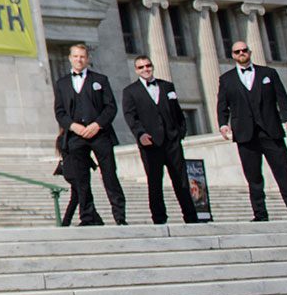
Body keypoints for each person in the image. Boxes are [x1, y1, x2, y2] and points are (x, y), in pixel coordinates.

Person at [217, 41, 287, 222]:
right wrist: (223, 124)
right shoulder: (226, 79)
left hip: (270, 131)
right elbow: (222, 105)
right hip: (245, 134)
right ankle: (260, 214)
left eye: (244, 50)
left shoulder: (268, 73)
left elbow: (282, 98)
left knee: (285, 173)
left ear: (250, 52)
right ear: (233, 55)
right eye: (237, 51)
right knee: (253, 178)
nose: (241, 53)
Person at [54, 43, 126, 227]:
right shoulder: (62, 84)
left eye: (82, 57)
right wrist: (73, 127)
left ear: (88, 59)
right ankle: (87, 217)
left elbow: (111, 107)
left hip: (99, 134)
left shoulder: (100, 80)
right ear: (70, 58)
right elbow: (60, 112)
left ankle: (119, 216)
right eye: (76, 56)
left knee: (109, 174)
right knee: (81, 179)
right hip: (76, 136)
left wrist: (97, 124)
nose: (79, 60)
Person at [123, 54, 197, 225]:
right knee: (155, 182)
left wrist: (180, 131)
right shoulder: (130, 91)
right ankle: (159, 218)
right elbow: (131, 117)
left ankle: (191, 216)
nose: (145, 69)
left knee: (181, 180)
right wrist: (140, 134)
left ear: (152, 66)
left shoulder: (167, 86)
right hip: (150, 144)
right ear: (136, 70)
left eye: (148, 65)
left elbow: (177, 112)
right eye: (141, 67)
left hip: (172, 142)